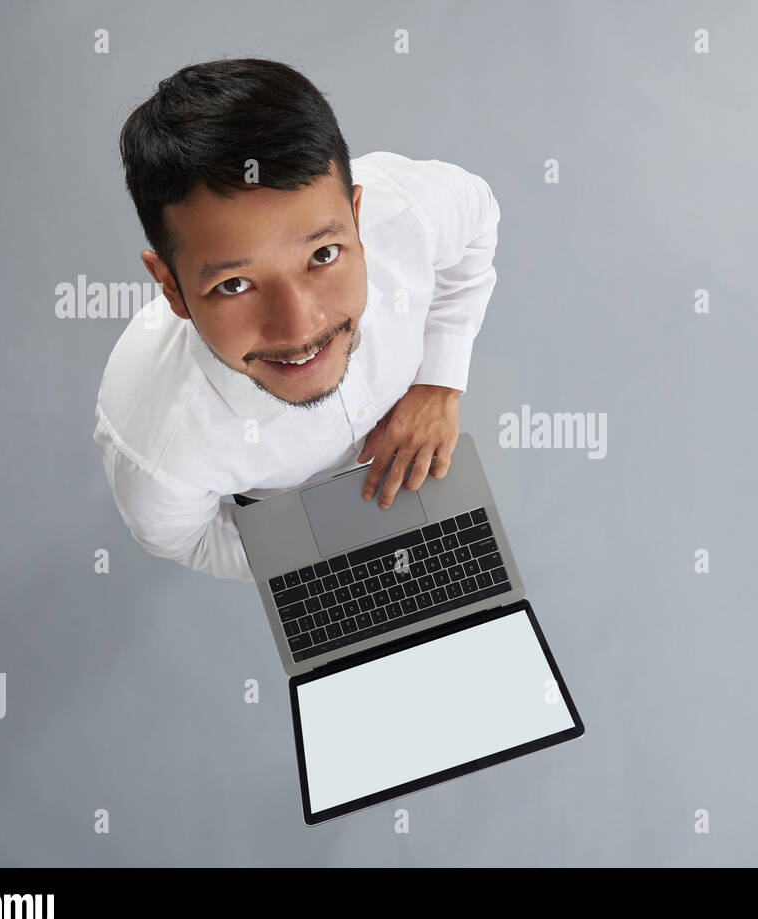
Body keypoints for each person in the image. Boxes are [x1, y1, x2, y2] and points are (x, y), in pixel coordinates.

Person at [93, 58, 500, 582]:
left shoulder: (407, 209)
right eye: (234, 284)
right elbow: (188, 538)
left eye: (323, 255)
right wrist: (322, 550)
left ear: (358, 218)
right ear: (170, 285)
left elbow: (477, 223)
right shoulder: (154, 446)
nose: (300, 329)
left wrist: (438, 385)